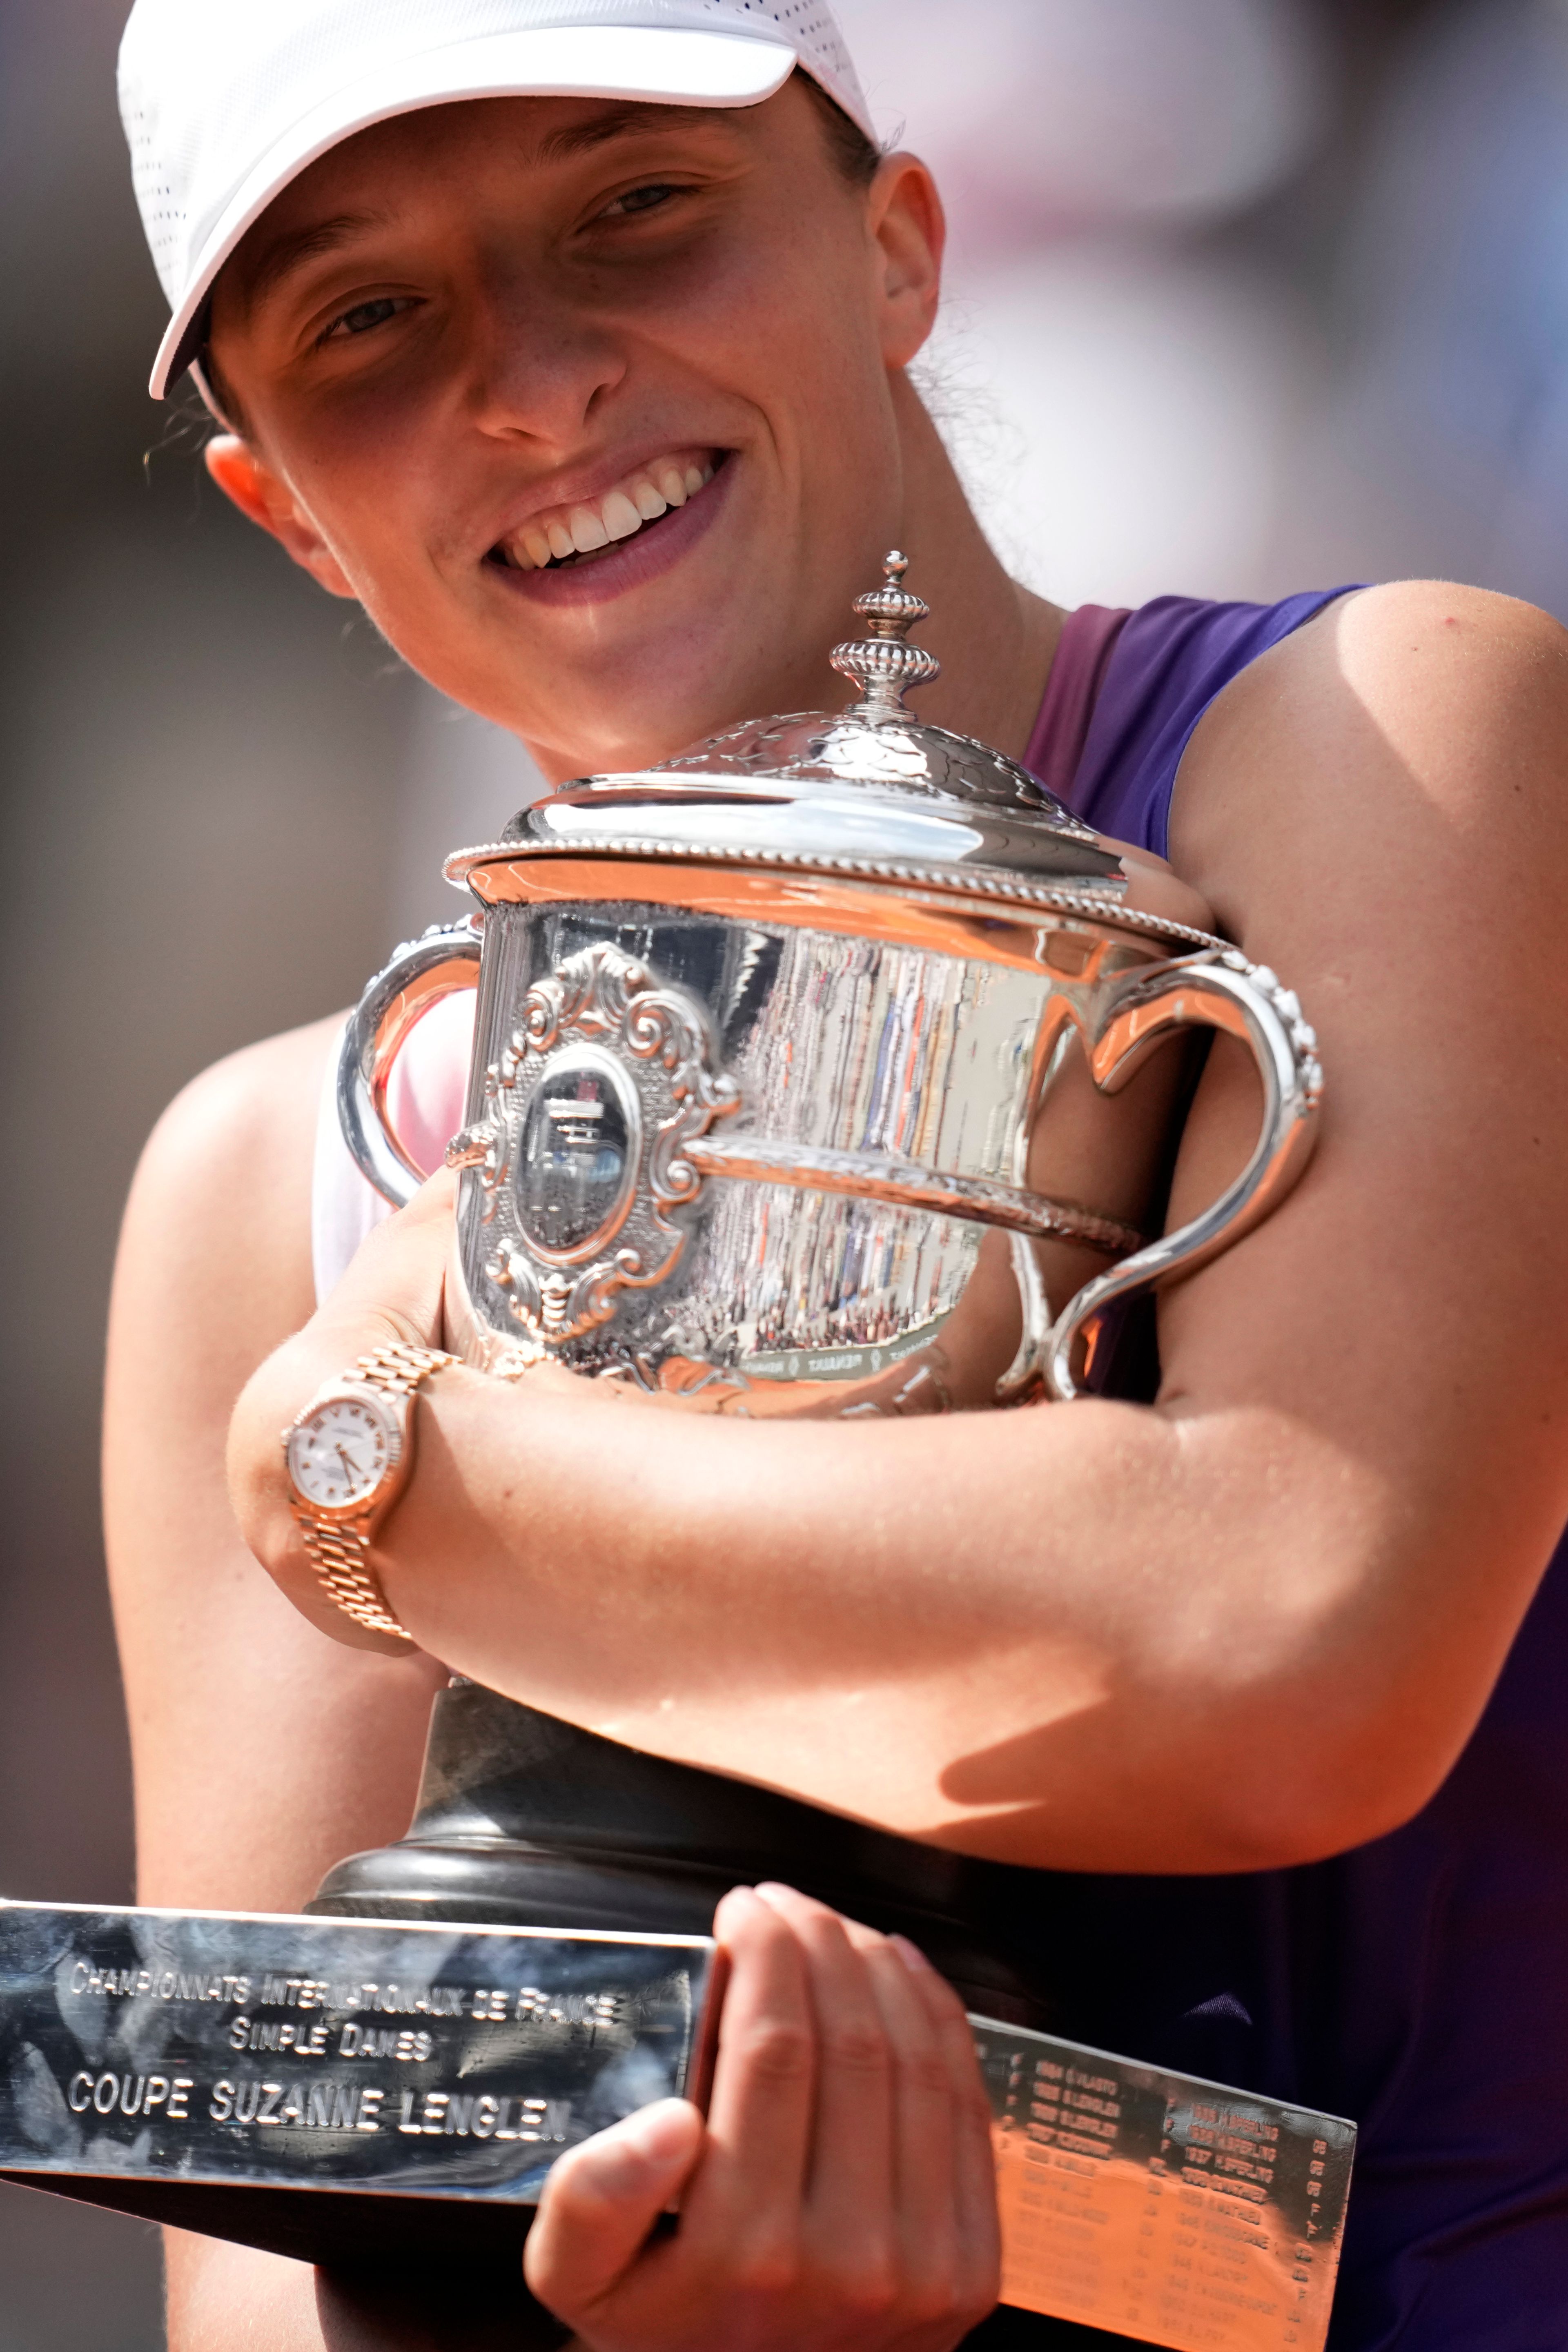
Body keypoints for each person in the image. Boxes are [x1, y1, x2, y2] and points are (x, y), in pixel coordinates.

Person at [107, 1, 1568, 2348]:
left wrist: (367, 1462)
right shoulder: (263, 1174)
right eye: (370, 318)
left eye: (635, 211)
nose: (534, 382)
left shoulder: (1391, 735)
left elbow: (1291, 1642)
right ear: (286, 506)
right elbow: (277, 2256)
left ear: (899, 244)